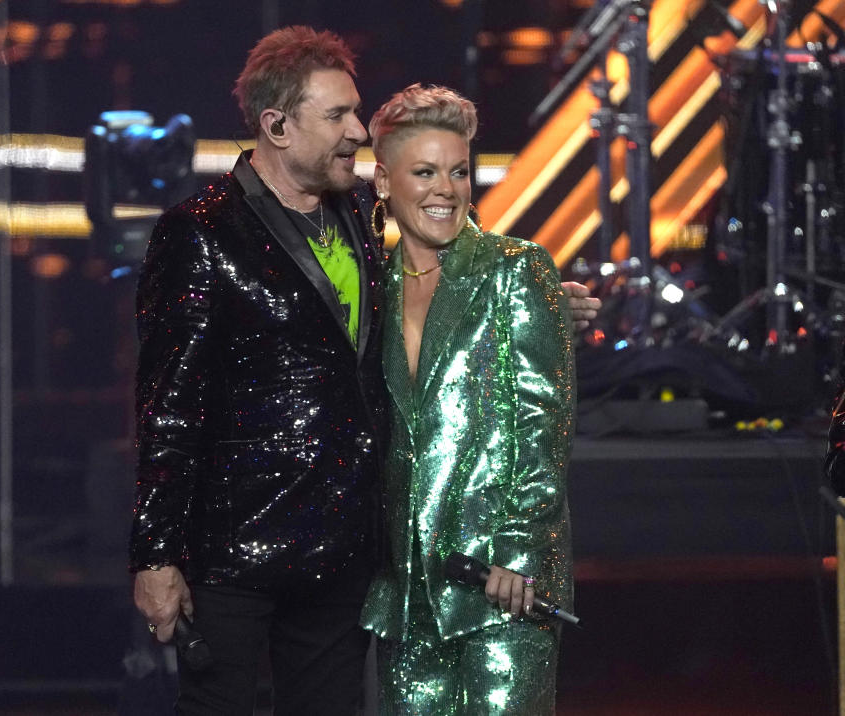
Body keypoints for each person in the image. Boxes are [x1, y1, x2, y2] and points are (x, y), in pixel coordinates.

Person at [128, 26, 597, 715]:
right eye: (338, 116)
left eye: (355, 112)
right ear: (277, 126)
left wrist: (548, 307)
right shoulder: (200, 232)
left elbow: (454, 286)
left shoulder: (358, 218)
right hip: (233, 551)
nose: (356, 130)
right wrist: (155, 552)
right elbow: (168, 406)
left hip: (345, 552)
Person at [360, 84, 575, 715]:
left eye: (458, 172)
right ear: (382, 182)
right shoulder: (372, 287)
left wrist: (516, 550)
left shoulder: (516, 269)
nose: (445, 190)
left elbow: (543, 423)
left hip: (501, 584)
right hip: (405, 588)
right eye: (424, 172)